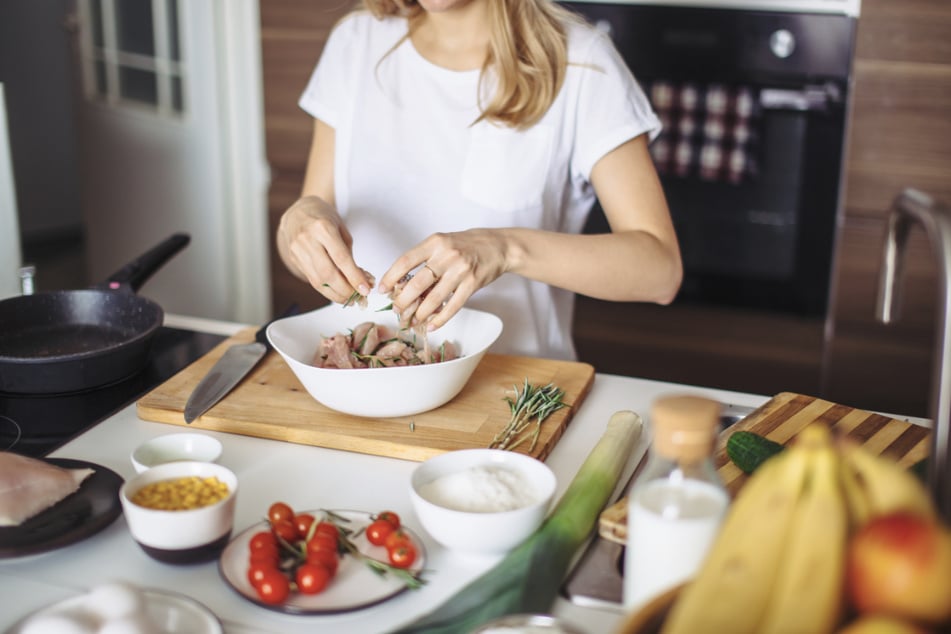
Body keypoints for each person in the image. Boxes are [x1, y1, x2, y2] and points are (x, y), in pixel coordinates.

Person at [276, 0, 682, 361]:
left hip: (512, 399)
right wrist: (298, 223)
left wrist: (505, 248)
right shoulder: (355, 40)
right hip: (364, 386)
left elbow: (659, 271)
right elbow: (311, 244)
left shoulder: (581, 61)